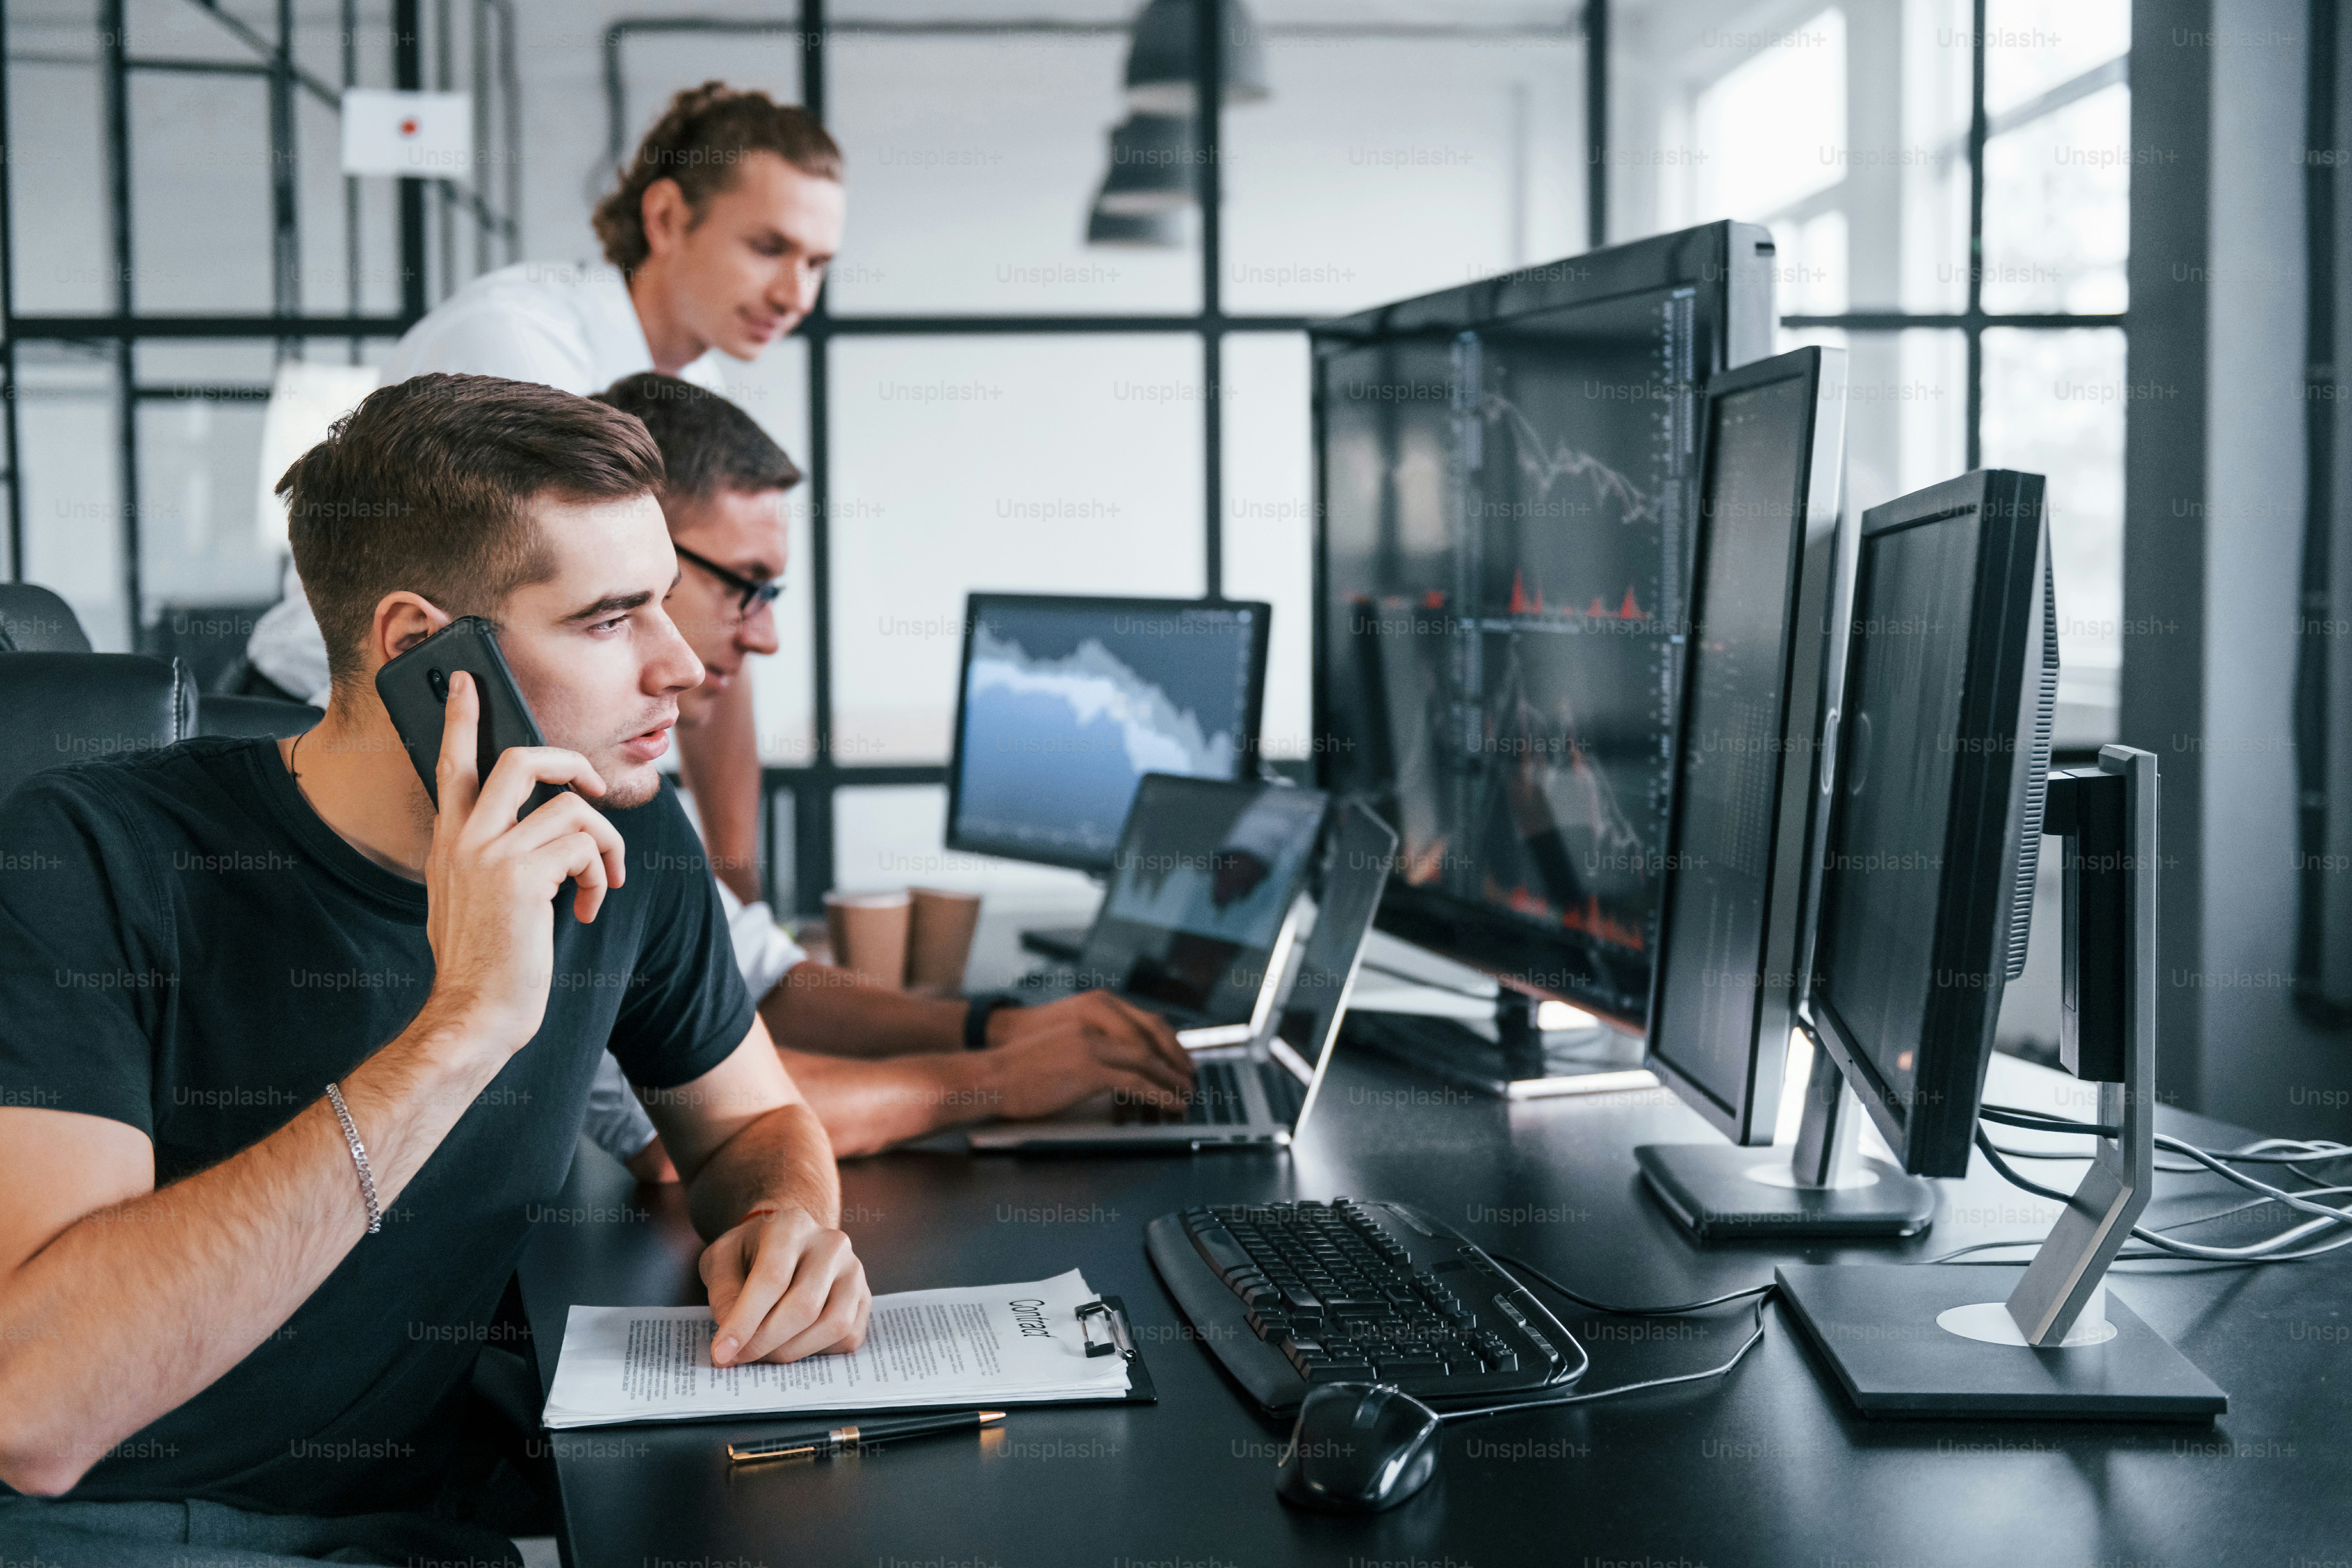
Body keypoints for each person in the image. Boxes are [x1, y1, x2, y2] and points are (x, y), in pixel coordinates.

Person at [0, 375, 868, 1564]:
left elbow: (749, 1122)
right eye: (612, 620)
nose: (682, 666)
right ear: (424, 650)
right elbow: (37, 1416)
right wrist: (462, 1029)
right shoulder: (81, 858)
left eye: (666, 602)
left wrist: (790, 1221)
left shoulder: (627, 835)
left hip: (411, 1530)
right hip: (94, 1527)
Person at [245, 80, 837, 915]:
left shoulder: (699, 387)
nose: (797, 294)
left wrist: (737, 902)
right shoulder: (516, 348)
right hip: (355, 729)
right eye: (770, 247)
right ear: (667, 219)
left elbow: (710, 628)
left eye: (817, 264)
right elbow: (524, 638)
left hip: (526, 742)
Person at [590, 372, 1196, 1164]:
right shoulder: (559, 805)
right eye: (745, 586)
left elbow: (764, 979)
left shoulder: (635, 801)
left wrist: (999, 1025)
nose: (767, 635)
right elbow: (677, 1129)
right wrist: (994, 1078)